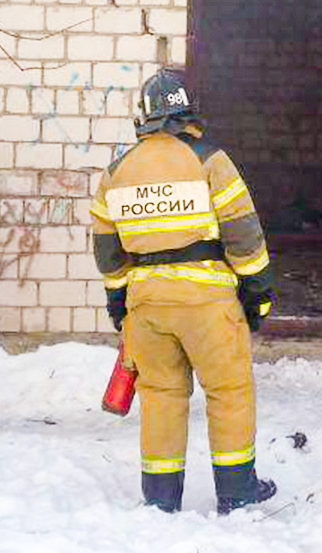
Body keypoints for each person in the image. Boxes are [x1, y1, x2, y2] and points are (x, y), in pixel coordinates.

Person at [90, 70, 277, 514]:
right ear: (186, 110)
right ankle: (236, 491)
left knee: (161, 396)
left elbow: (107, 250)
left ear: (145, 117)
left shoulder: (116, 171)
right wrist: (257, 291)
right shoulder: (210, 160)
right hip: (207, 302)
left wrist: (119, 301)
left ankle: (160, 498)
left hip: (147, 306)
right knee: (228, 391)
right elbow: (243, 234)